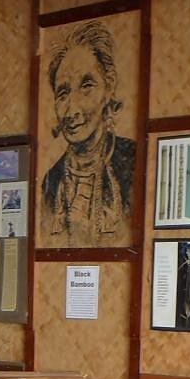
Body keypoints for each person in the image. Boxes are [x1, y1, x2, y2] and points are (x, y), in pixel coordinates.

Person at [42, 21, 136, 243]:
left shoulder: (133, 162)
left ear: (108, 87)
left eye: (86, 86)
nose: (72, 110)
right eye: (63, 93)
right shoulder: (51, 181)